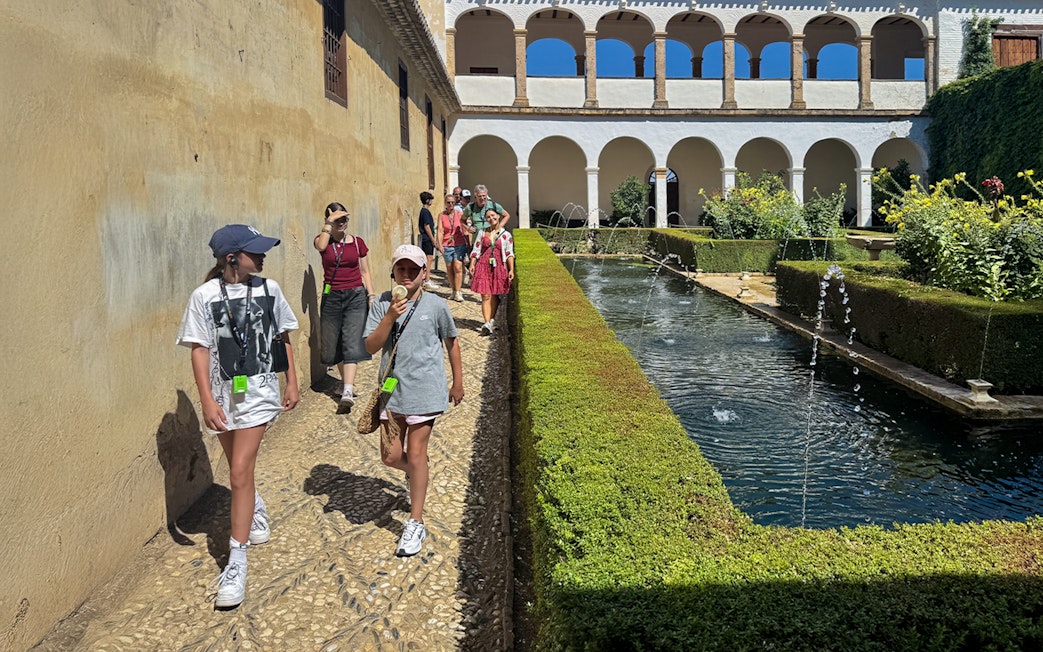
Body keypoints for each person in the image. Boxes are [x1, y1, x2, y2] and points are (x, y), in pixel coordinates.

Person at [176, 224, 300, 609]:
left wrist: (291, 381)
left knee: (238, 471)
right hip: (223, 394)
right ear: (232, 258)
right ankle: (255, 506)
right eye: (254, 251)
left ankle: (237, 558)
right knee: (236, 466)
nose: (262, 256)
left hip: (259, 393)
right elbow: (198, 349)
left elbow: (283, 334)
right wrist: (207, 400)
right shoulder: (204, 296)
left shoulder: (269, 289)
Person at [364, 244, 464, 557]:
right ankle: (417, 473)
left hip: (426, 390)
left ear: (423, 274)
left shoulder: (435, 305)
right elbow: (370, 346)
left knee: (418, 452)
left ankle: (415, 522)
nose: (406, 275)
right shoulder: (382, 303)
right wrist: (390, 317)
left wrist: (458, 382)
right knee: (391, 457)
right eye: (400, 269)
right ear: (392, 271)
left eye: (413, 270)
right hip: (392, 390)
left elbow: (452, 343)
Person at [315, 202, 374, 409]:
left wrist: (371, 294)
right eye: (337, 219)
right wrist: (329, 223)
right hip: (331, 297)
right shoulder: (323, 240)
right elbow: (321, 247)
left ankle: (347, 389)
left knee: (351, 339)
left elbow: (365, 271)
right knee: (335, 342)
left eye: (344, 219)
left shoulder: (357, 243)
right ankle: (344, 383)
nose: (342, 222)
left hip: (355, 295)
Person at [468, 209, 515, 335]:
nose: (491, 218)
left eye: (493, 215)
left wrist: (511, 269)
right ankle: (487, 322)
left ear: (498, 216)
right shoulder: (482, 232)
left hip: (498, 266)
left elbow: (509, 253)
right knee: (485, 294)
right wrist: (472, 263)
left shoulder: (506, 235)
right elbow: (476, 248)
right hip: (484, 265)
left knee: (494, 295)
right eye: (488, 217)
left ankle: (492, 319)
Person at [437, 193, 471, 302]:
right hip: (447, 244)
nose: (451, 204)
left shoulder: (459, 214)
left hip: (459, 243)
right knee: (449, 268)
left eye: (453, 202)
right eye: (448, 202)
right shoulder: (441, 215)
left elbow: (464, 226)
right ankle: (453, 290)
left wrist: (468, 238)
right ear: (445, 203)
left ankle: (458, 291)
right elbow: (440, 230)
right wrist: (440, 244)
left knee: (457, 267)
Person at [417, 191, 439, 290]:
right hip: (427, 238)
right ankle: (426, 280)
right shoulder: (425, 212)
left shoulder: (424, 211)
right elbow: (427, 226)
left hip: (426, 238)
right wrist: (433, 239)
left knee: (428, 258)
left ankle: (426, 278)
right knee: (429, 258)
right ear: (427, 200)